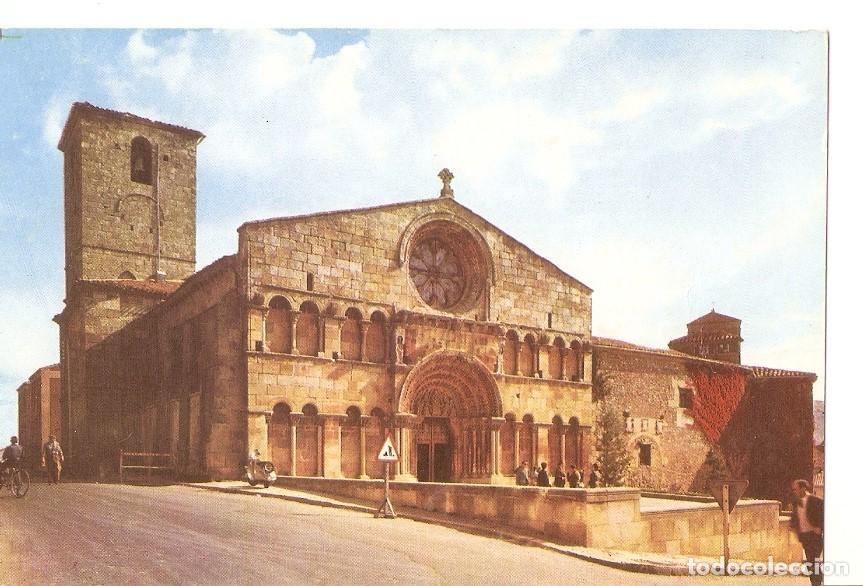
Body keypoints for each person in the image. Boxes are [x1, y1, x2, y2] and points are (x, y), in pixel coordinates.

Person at [790, 479, 823, 586]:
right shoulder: (796, 502)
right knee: (810, 563)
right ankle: (817, 581)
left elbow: (823, 515)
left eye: (796, 489)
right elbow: (795, 517)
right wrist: (794, 529)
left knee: (814, 561)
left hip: (814, 536)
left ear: (803, 488)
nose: (794, 491)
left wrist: (819, 527)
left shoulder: (815, 500)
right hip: (805, 537)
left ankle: (816, 583)